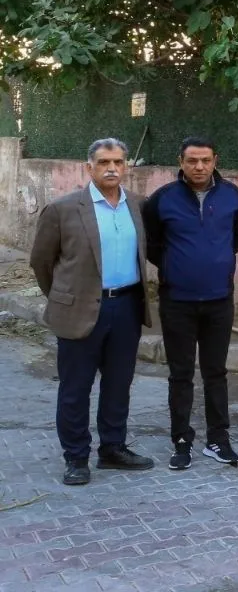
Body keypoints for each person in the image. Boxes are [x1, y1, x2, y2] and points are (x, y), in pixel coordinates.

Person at [30, 138, 156, 486]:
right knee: (76, 388)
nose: (111, 168)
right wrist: (64, 298)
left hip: (127, 307)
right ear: (89, 167)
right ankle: (76, 457)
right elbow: (41, 261)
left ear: (127, 166)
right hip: (80, 311)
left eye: (117, 161)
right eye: (103, 162)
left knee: (119, 384)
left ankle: (112, 449)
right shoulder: (64, 209)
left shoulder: (137, 206)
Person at [142, 136, 238, 470]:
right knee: (181, 374)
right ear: (181, 161)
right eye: (192, 160)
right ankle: (181, 440)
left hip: (219, 300)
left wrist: (214, 262)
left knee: (216, 372)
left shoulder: (232, 195)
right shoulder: (162, 200)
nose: (199, 167)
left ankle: (219, 439)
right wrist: (179, 267)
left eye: (205, 160)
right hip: (177, 301)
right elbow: (152, 244)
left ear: (215, 160)